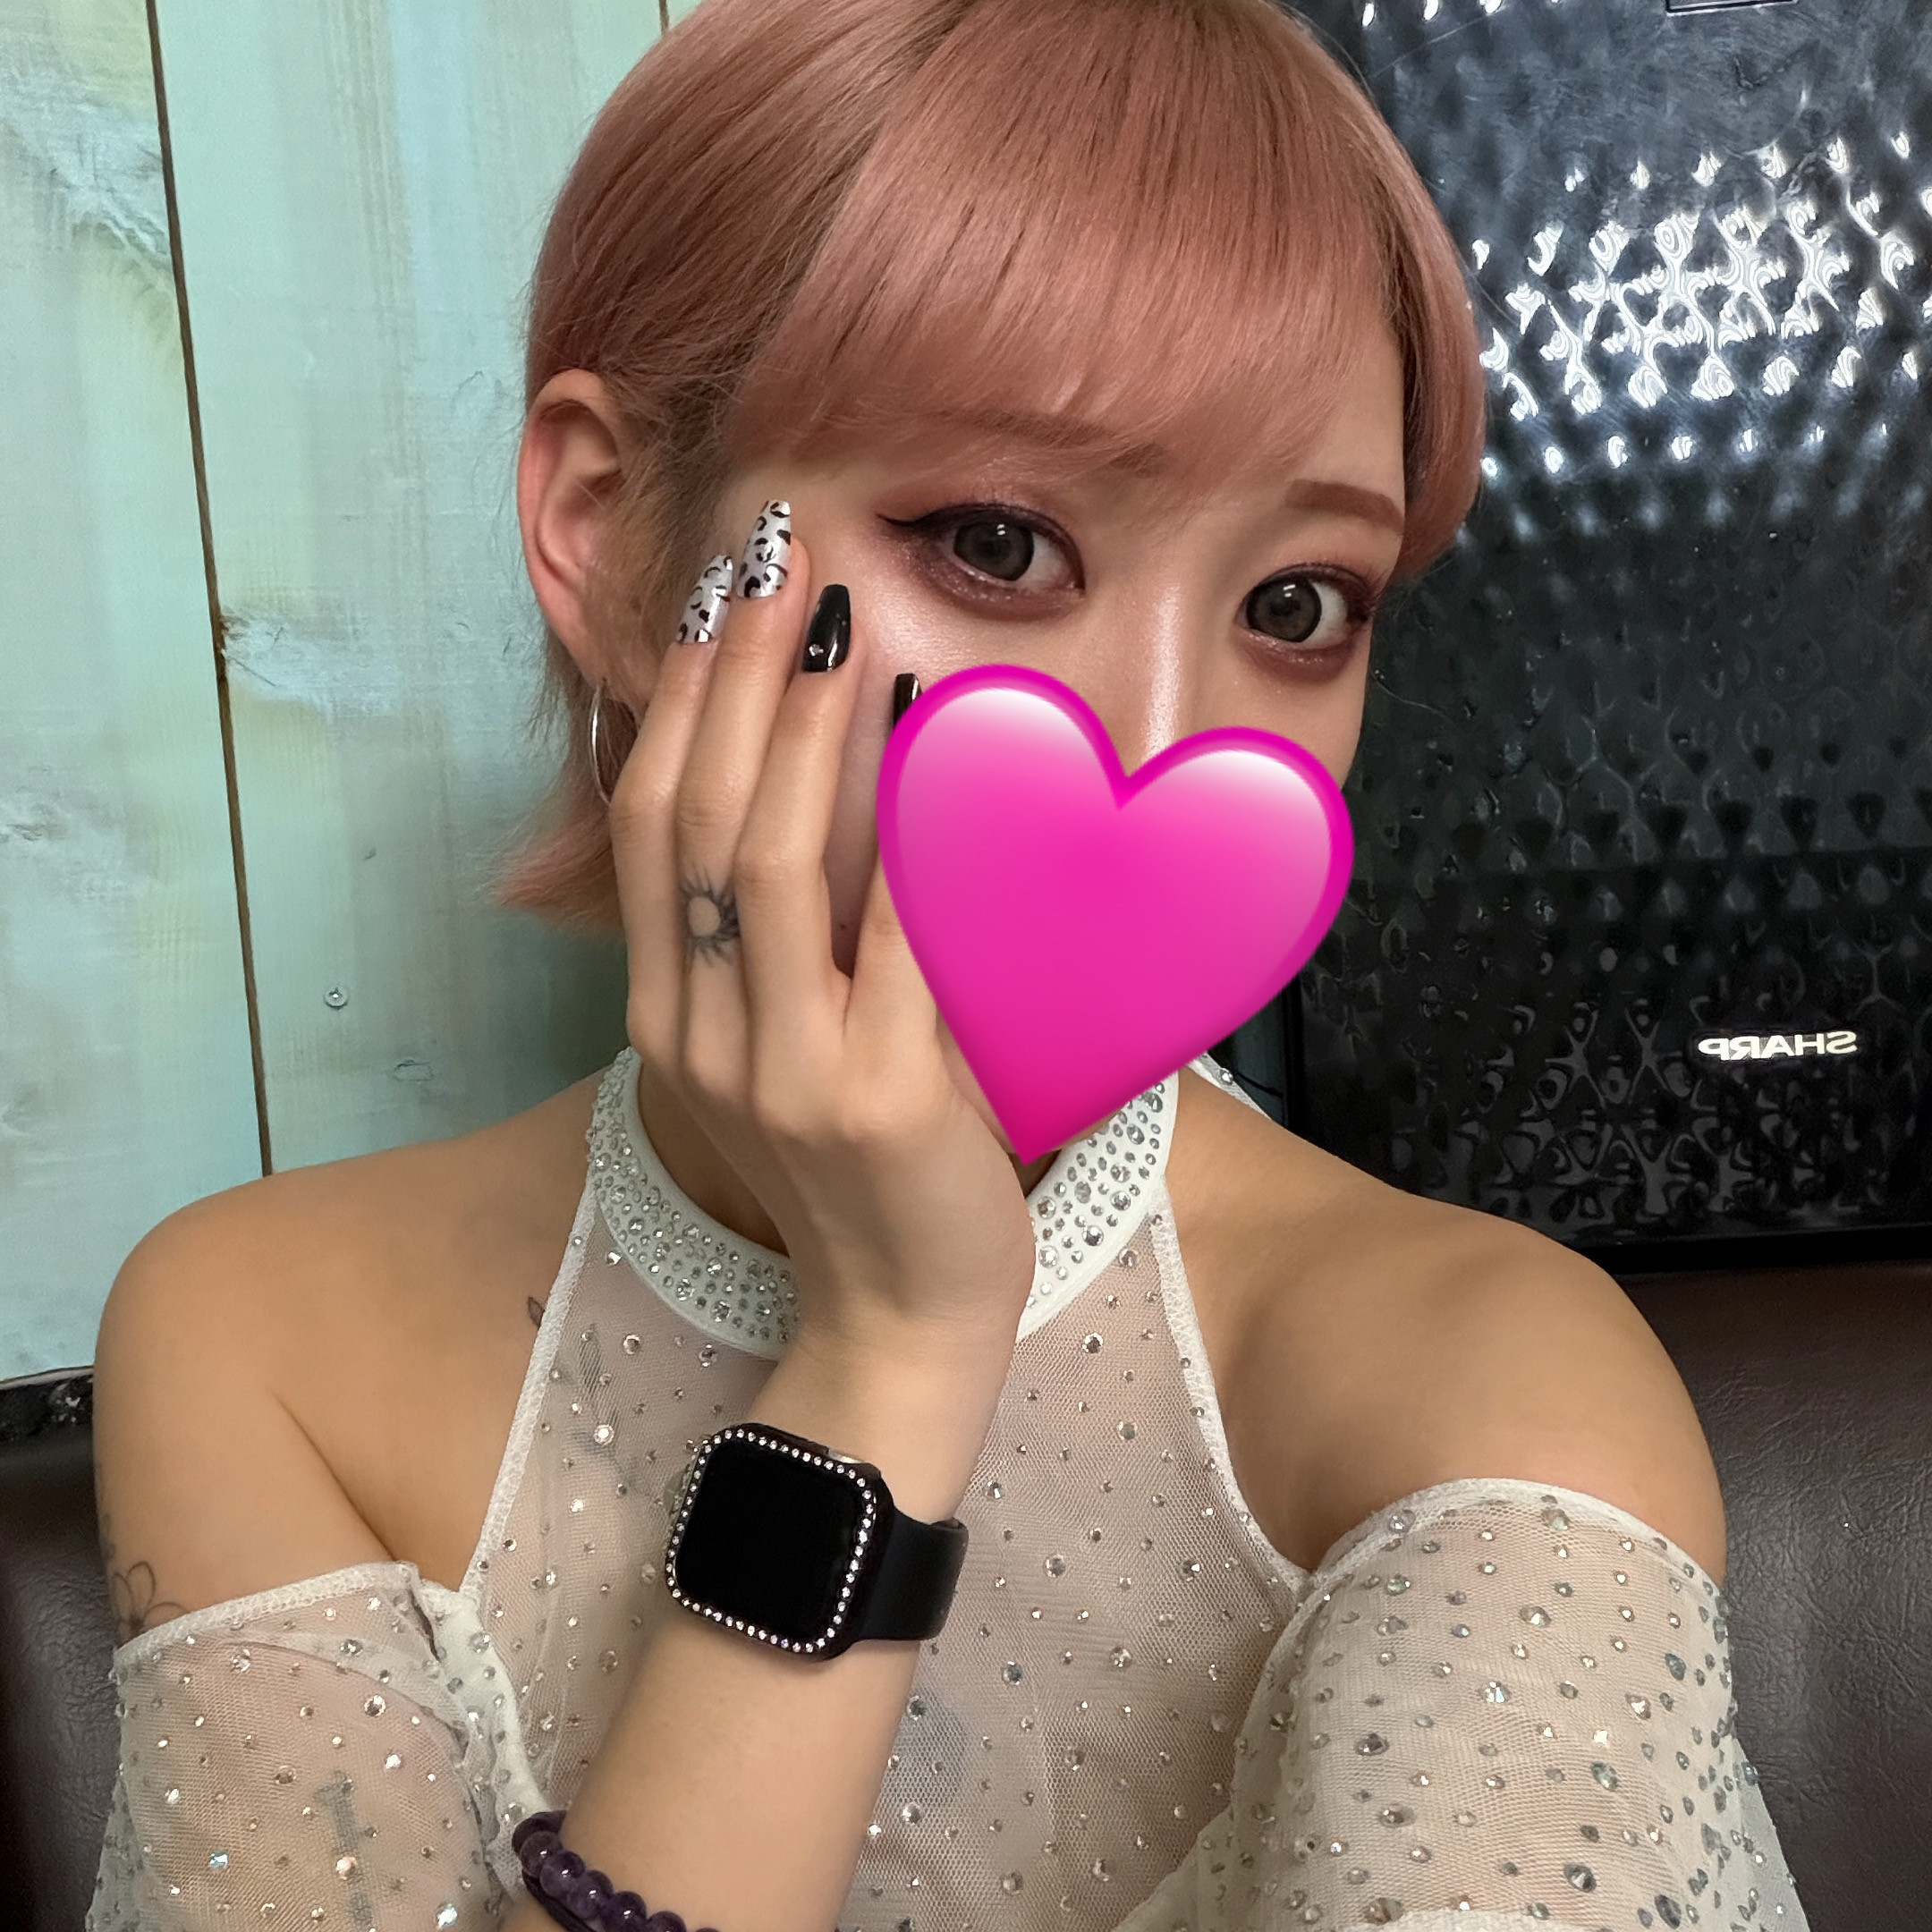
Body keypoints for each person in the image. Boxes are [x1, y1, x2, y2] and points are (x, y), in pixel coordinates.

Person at [86, 1, 1811, 1928]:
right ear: (613, 538)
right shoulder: (265, 1345)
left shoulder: (1485, 1378)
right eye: (996, 542)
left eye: (1297, 602)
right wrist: (886, 1356)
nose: (1164, 741)